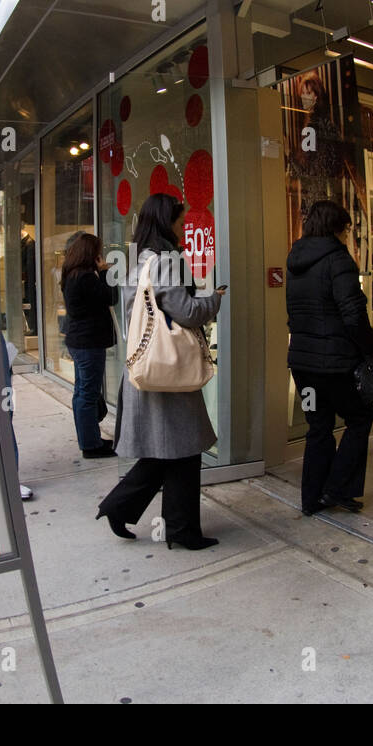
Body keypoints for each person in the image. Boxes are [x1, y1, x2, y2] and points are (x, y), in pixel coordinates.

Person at [96, 193, 224, 550]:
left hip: (147, 367)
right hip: (168, 373)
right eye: (180, 222)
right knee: (183, 451)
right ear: (166, 222)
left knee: (166, 451)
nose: (184, 228)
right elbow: (186, 312)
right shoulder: (168, 259)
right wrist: (214, 299)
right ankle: (181, 531)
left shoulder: (140, 260)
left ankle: (120, 507)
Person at [285, 199, 373, 515]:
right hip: (335, 364)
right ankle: (337, 489)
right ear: (339, 228)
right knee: (360, 418)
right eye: (347, 228)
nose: (348, 234)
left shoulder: (295, 259)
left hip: (302, 365)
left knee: (318, 426)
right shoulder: (339, 260)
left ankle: (311, 500)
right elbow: (353, 315)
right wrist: (370, 348)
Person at [61, 232, 118, 458]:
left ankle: (89, 440)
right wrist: (104, 272)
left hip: (80, 341)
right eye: (98, 251)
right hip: (88, 342)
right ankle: (91, 445)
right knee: (88, 394)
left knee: (82, 392)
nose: (100, 255)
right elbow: (110, 296)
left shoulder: (71, 274)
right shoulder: (85, 277)